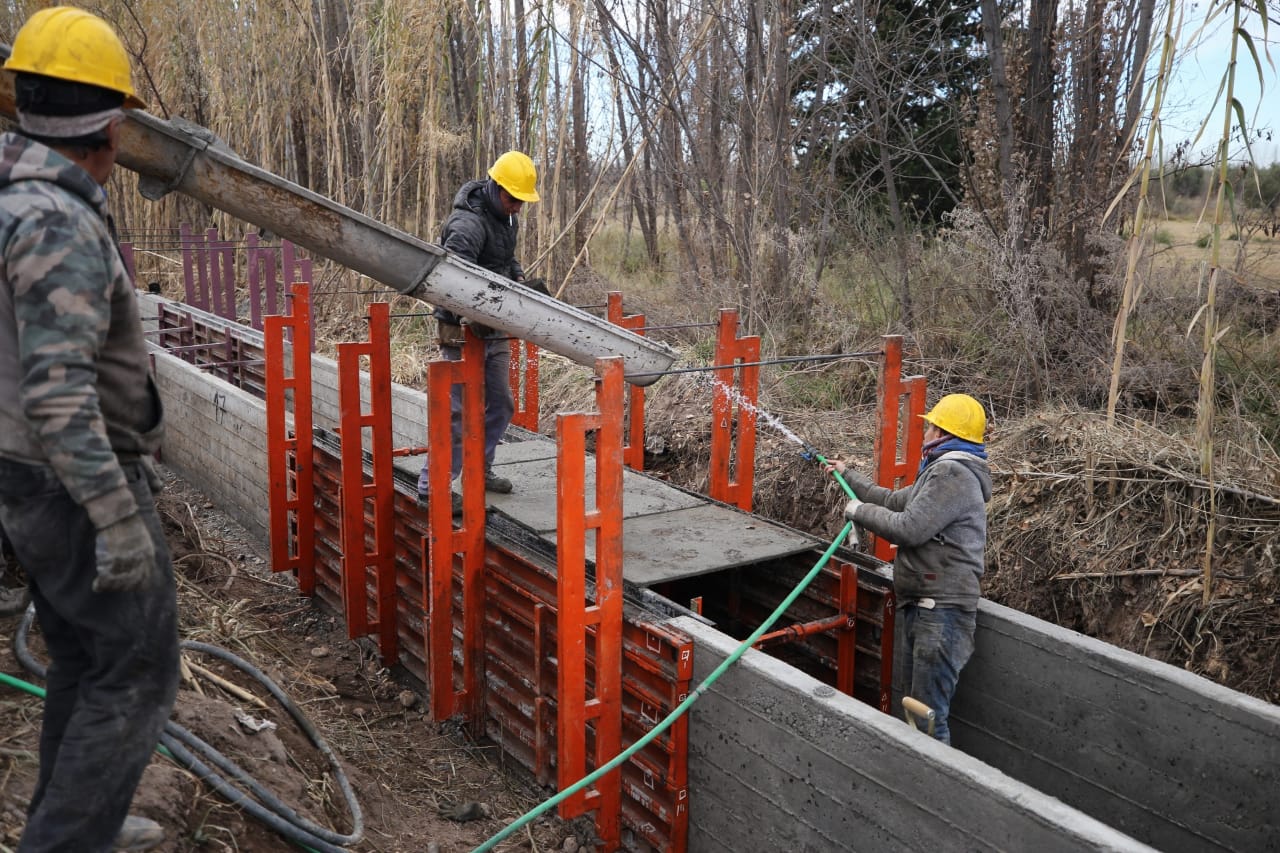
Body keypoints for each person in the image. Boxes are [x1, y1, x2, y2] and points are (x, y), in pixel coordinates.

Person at [0, 7, 180, 851]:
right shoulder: (58, 220)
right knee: (138, 670)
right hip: (72, 482)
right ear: (109, 125)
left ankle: (74, 824)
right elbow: (60, 396)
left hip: (33, 480)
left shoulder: (17, 198)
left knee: (80, 657)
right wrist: (115, 518)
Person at [826, 393, 991, 745]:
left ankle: (934, 791)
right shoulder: (940, 471)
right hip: (926, 605)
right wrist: (847, 475)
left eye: (930, 425)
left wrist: (858, 512)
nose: (926, 431)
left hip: (940, 610)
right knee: (918, 711)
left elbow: (909, 528)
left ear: (944, 433)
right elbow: (890, 500)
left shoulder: (951, 473)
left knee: (927, 717)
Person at [417, 150, 544, 506]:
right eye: (513, 199)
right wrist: (469, 317)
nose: (518, 206)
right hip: (461, 329)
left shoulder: (506, 217)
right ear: (495, 187)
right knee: (457, 411)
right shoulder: (466, 225)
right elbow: (451, 281)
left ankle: (479, 467)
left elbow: (504, 256)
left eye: (521, 201)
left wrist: (518, 277)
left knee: (501, 403)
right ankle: (433, 488)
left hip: (493, 323)